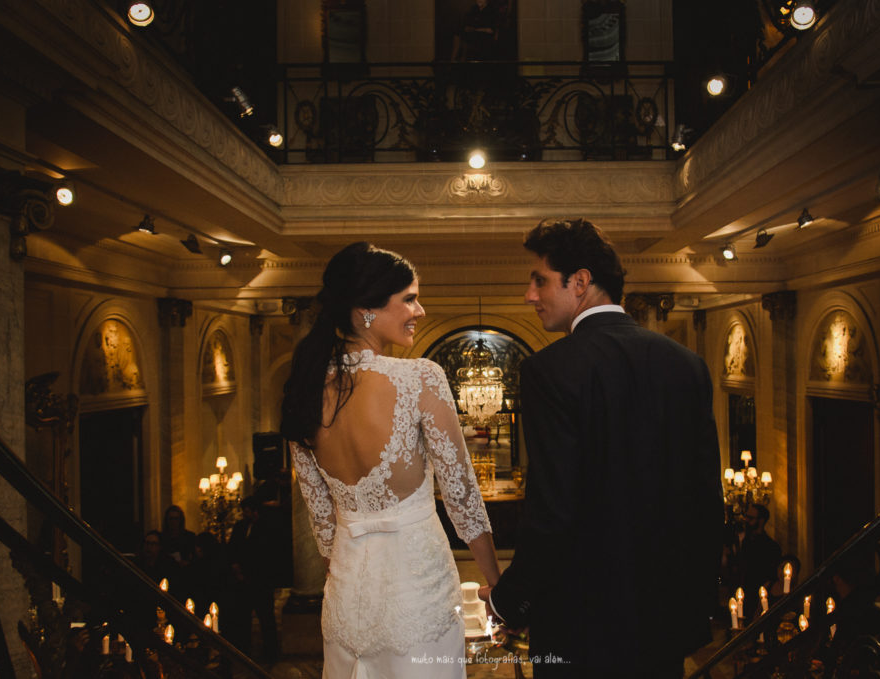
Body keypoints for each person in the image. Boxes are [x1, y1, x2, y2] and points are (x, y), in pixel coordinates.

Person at [480, 218, 724, 678]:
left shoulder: (549, 371)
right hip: (666, 624)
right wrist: (696, 606)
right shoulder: (687, 364)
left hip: (581, 628)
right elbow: (706, 499)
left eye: (540, 280)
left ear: (581, 282)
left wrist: (508, 601)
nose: (529, 295)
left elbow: (553, 511)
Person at [280, 241, 500, 678]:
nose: (420, 311)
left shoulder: (302, 389)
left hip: (345, 599)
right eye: (410, 299)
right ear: (366, 310)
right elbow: (463, 501)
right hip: (418, 595)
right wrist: (497, 581)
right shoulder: (420, 377)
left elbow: (323, 523)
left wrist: (348, 580)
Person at [227, 495, 280, 664]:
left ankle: (271, 654)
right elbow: (233, 548)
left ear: (255, 511)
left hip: (261, 581)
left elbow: (267, 554)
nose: (245, 513)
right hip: (242, 581)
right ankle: (244, 652)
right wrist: (236, 567)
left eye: (247, 510)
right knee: (242, 618)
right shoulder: (240, 526)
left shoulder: (267, 527)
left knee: (266, 619)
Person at [735, 503, 783, 620]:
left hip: (757, 599)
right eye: (746, 517)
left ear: (761, 521)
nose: (746, 520)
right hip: (741, 596)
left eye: (750, 518)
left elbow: (770, 576)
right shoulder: (743, 542)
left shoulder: (771, 547)